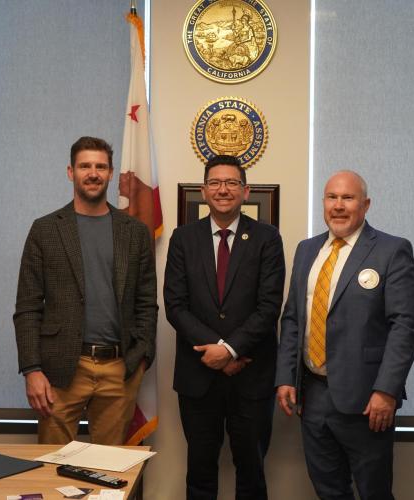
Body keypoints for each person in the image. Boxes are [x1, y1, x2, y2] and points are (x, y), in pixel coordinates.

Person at [275, 170, 414, 500]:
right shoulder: (307, 250)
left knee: (374, 492)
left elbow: (405, 327)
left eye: (348, 198)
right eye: (331, 197)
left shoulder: (391, 250)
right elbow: (293, 319)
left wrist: (386, 391)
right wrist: (286, 376)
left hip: (367, 401)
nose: (338, 206)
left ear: (365, 204)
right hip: (312, 396)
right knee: (328, 490)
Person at [13, 136, 157, 445]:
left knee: (109, 472)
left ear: (110, 173)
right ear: (70, 172)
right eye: (85, 166)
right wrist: (31, 370)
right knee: (53, 469)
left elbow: (146, 302)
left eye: (100, 166)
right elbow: (27, 306)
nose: (93, 173)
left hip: (119, 370)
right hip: (60, 369)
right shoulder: (45, 230)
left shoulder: (135, 232)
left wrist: (142, 356)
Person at [164, 154, 285, 500]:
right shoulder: (183, 238)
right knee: (200, 474)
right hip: (198, 377)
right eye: (215, 182)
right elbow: (175, 305)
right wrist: (216, 350)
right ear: (204, 191)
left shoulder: (267, 239)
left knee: (252, 473)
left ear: (246, 191)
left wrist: (231, 350)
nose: (223, 189)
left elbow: (269, 306)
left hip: (251, 377)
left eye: (231, 183)